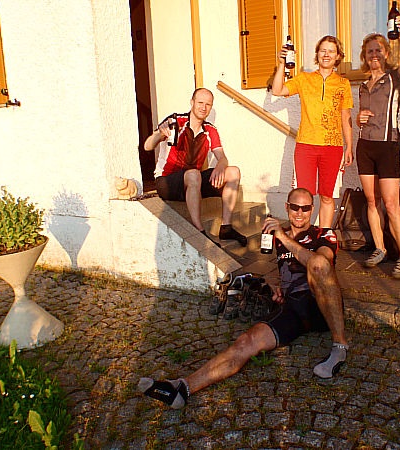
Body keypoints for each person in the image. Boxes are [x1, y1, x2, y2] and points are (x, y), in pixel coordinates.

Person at [138, 188, 349, 408]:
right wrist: (276, 286)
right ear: (287, 207)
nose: (299, 213)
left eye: (305, 208)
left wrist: (283, 237)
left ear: (312, 210)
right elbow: (285, 271)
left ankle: (340, 345)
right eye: (295, 207)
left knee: (318, 265)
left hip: (320, 305)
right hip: (293, 309)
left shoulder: (323, 235)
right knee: (247, 341)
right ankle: (182, 388)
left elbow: (321, 265)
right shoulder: (279, 237)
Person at [144, 88, 246, 246]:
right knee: (193, 174)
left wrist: (220, 165)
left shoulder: (210, 130)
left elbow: (222, 157)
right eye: (200, 103)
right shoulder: (176, 121)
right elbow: (147, 146)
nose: (203, 107)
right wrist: (159, 134)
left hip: (193, 182)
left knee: (233, 172)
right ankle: (199, 232)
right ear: (192, 103)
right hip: (167, 182)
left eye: (208, 104)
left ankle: (226, 227)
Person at [272, 36, 353, 228]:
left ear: (338, 56)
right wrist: (281, 64)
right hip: (306, 146)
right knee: (302, 197)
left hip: (333, 146)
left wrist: (349, 147)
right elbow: (277, 90)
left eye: (331, 51)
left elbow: (346, 116)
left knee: (327, 196)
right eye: (323, 50)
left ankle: (325, 236)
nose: (326, 54)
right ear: (317, 54)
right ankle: (302, 237)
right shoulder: (304, 79)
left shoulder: (343, 83)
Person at [356, 17, 400, 279]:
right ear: (365, 56)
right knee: (371, 201)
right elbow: (362, 116)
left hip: (388, 145)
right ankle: (380, 248)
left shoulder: (395, 78)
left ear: (386, 53)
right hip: (365, 146)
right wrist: (359, 118)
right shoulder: (362, 86)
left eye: (378, 50)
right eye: (370, 51)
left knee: (391, 204)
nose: (374, 55)